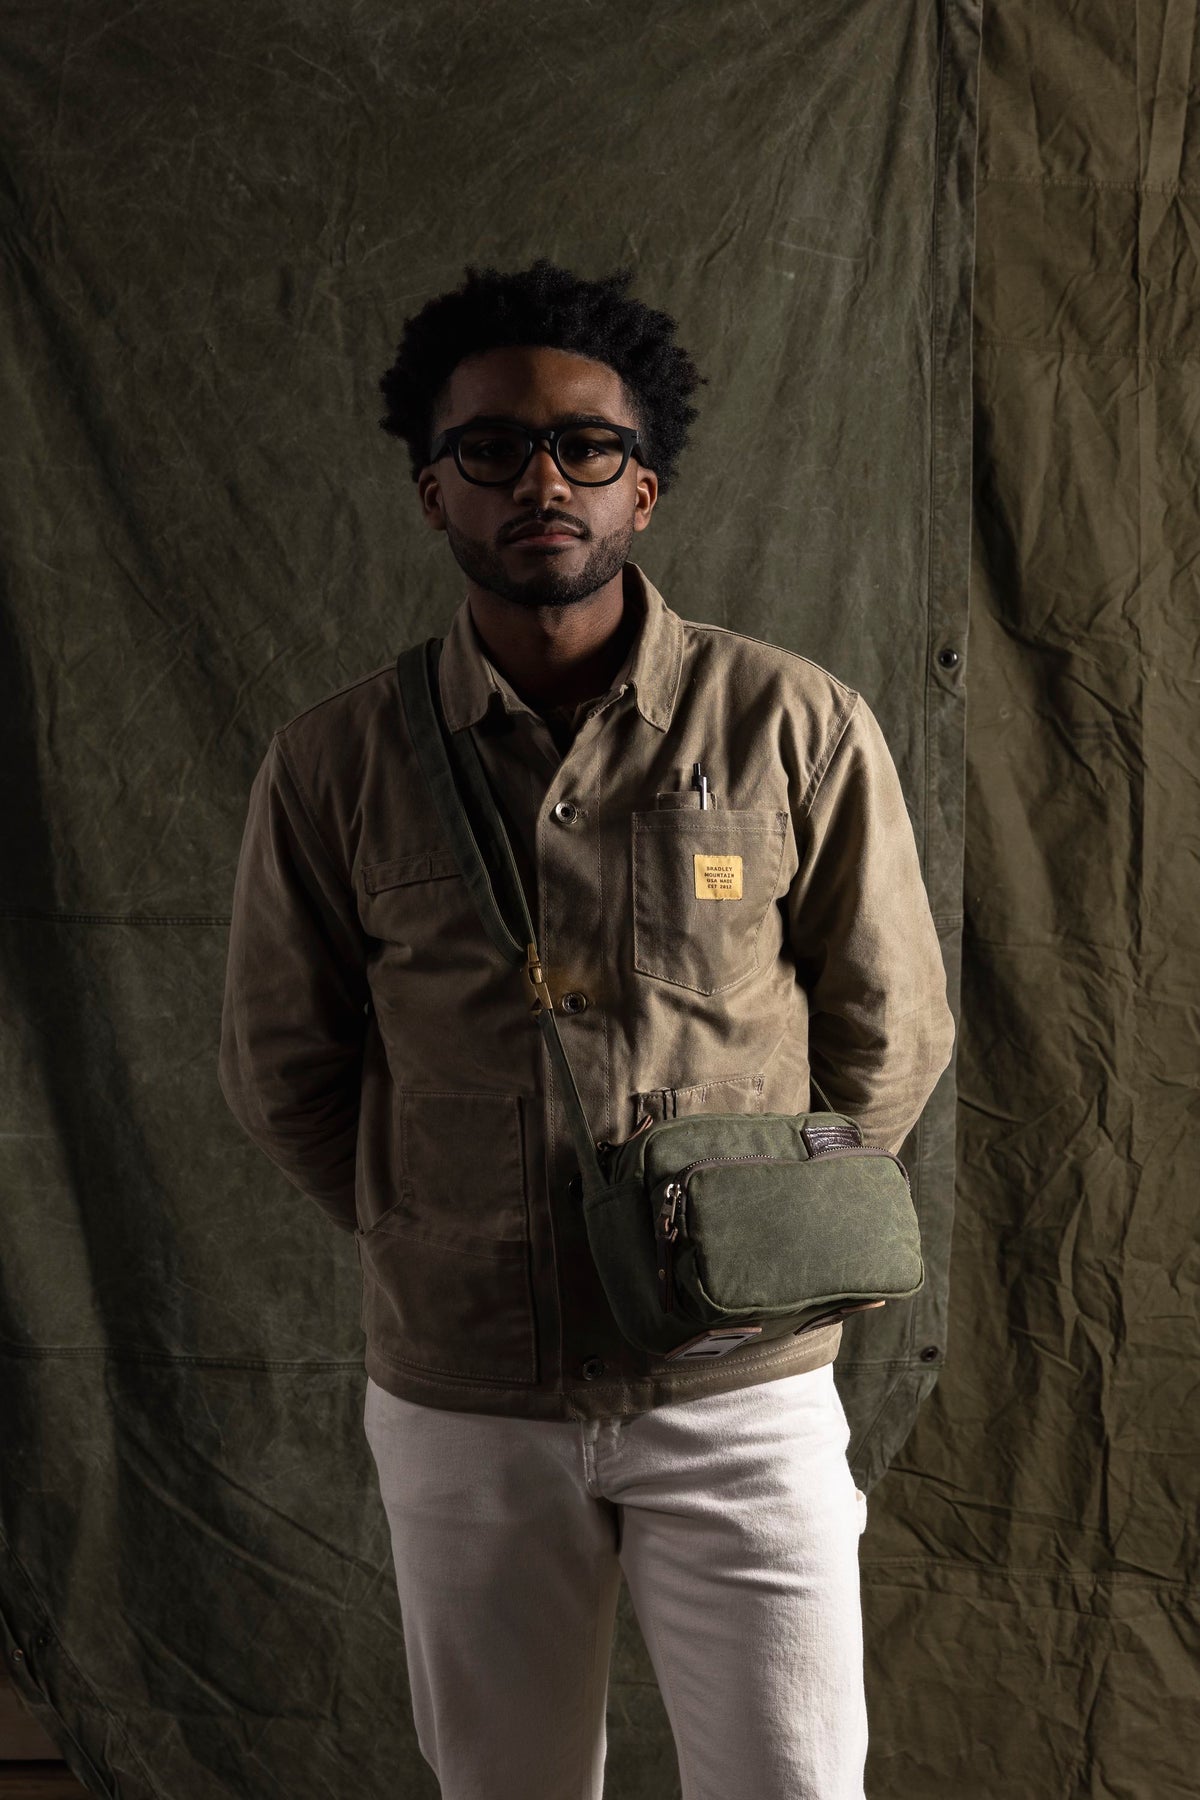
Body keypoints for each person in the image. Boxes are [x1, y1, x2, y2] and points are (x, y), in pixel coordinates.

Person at [217, 257, 956, 1800]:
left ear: (645, 489)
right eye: (493, 449)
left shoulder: (794, 723)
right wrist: (433, 1224)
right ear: (434, 491)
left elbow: (889, 1028)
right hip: (466, 1392)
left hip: (741, 1383)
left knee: (794, 1781)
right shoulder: (336, 761)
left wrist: (766, 1230)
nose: (542, 481)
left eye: (586, 446)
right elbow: (285, 1064)